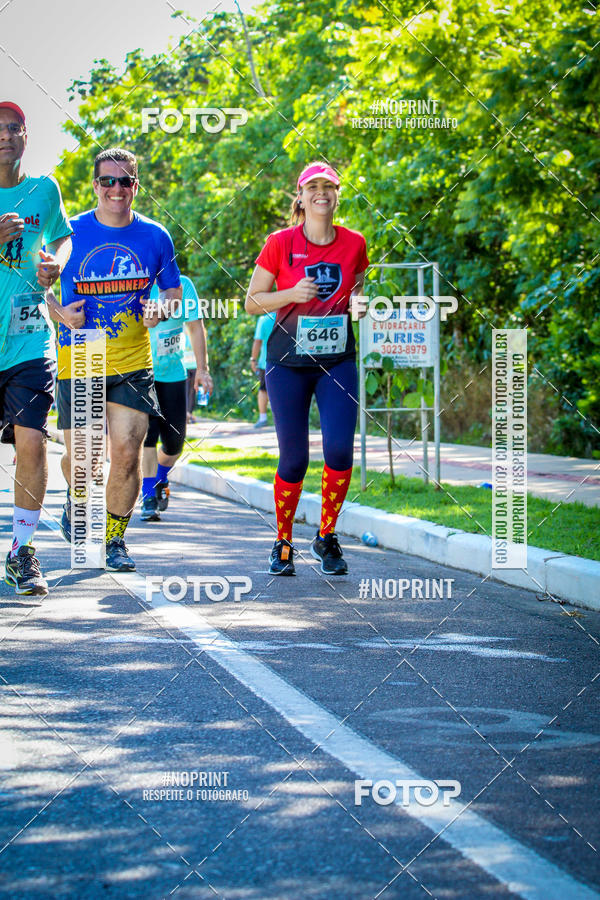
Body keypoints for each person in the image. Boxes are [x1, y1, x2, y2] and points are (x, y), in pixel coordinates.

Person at [54, 147, 181, 572]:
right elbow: (32, 281)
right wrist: (59, 312)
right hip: (83, 354)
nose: (116, 189)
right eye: (108, 180)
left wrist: (159, 311)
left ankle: (113, 540)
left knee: (127, 451)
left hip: (132, 357)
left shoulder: (156, 236)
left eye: (125, 180)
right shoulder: (68, 233)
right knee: (86, 461)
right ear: (95, 186)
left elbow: (172, 294)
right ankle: (75, 498)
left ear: (136, 186)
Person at [245, 161, 368, 576]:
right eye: (312, 186)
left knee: (338, 450)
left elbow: (357, 292)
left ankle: (326, 536)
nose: (321, 193)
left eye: (329, 187)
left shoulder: (354, 244)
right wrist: (291, 293)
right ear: (300, 196)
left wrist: (361, 306)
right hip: (288, 364)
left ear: (337, 195)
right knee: (294, 459)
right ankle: (283, 541)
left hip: (337, 362)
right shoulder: (280, 243)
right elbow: (252, 302)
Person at [0, 101, 72, 597]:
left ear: (27, 136)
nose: (5, 136)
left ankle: (22, 551)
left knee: (32, 438)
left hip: (29, 339)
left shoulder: (44, 190)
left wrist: (56, 265)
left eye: (13, 128)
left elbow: (63, 239)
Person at [140, 274, 213, 521]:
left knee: (175, 443)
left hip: (173, 373)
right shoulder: (138, 285)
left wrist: (203, 370)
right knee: (147, 436)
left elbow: (195, 326)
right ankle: (148, 495)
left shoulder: (184, 286)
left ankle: (160, 477)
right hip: (141, 372)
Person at [250, 311, 276, 428]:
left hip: (266, 362)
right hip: (286, 361)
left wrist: (253, 359)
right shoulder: (287, 317)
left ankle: (263, 418)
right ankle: (280, 419)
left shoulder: (264, 320)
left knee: (263, 390)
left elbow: (257, 341)